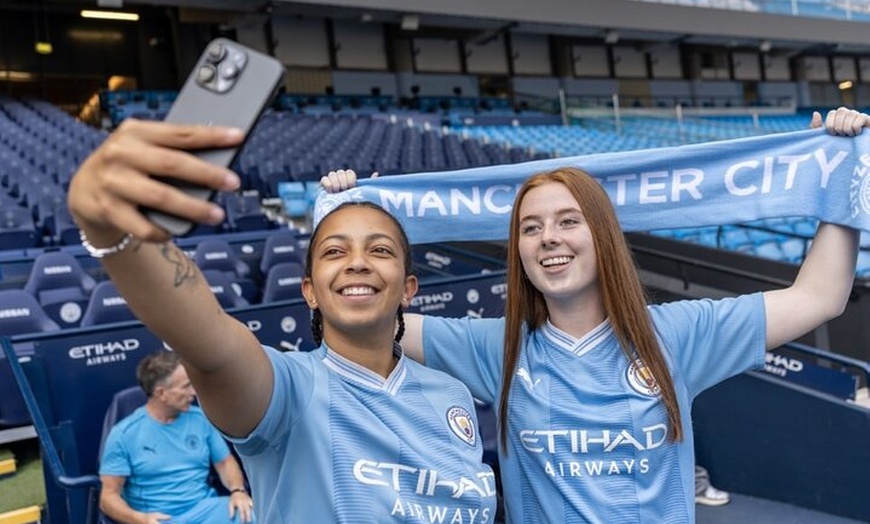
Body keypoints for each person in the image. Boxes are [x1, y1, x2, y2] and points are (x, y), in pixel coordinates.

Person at [321, 107, 867, 523]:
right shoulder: (496, 347)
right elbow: (361, 320)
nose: (549, 238)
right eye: (530, 228)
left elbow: (818, 298)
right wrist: (353, 221)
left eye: (568, 221)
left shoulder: (678, 335)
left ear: (602, 236)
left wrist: (837, 176)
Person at [67, 124, 497, 522]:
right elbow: (208, 343)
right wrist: (112, 229)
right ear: (309, 291)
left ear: (409, 288)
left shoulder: (450, 393)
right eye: (334, 252)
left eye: (380, 250)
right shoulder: (287, 391)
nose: (358, 263)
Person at [100, 350, 254, 524]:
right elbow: (108, 497)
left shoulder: (201, 419)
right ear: (161, 394)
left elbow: (225, 463)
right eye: (186, 386)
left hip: (204, 510)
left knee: (248, 514)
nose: (194, 392)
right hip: (157, 518)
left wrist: (238, 491)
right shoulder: (124, 434)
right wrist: (139, 519)